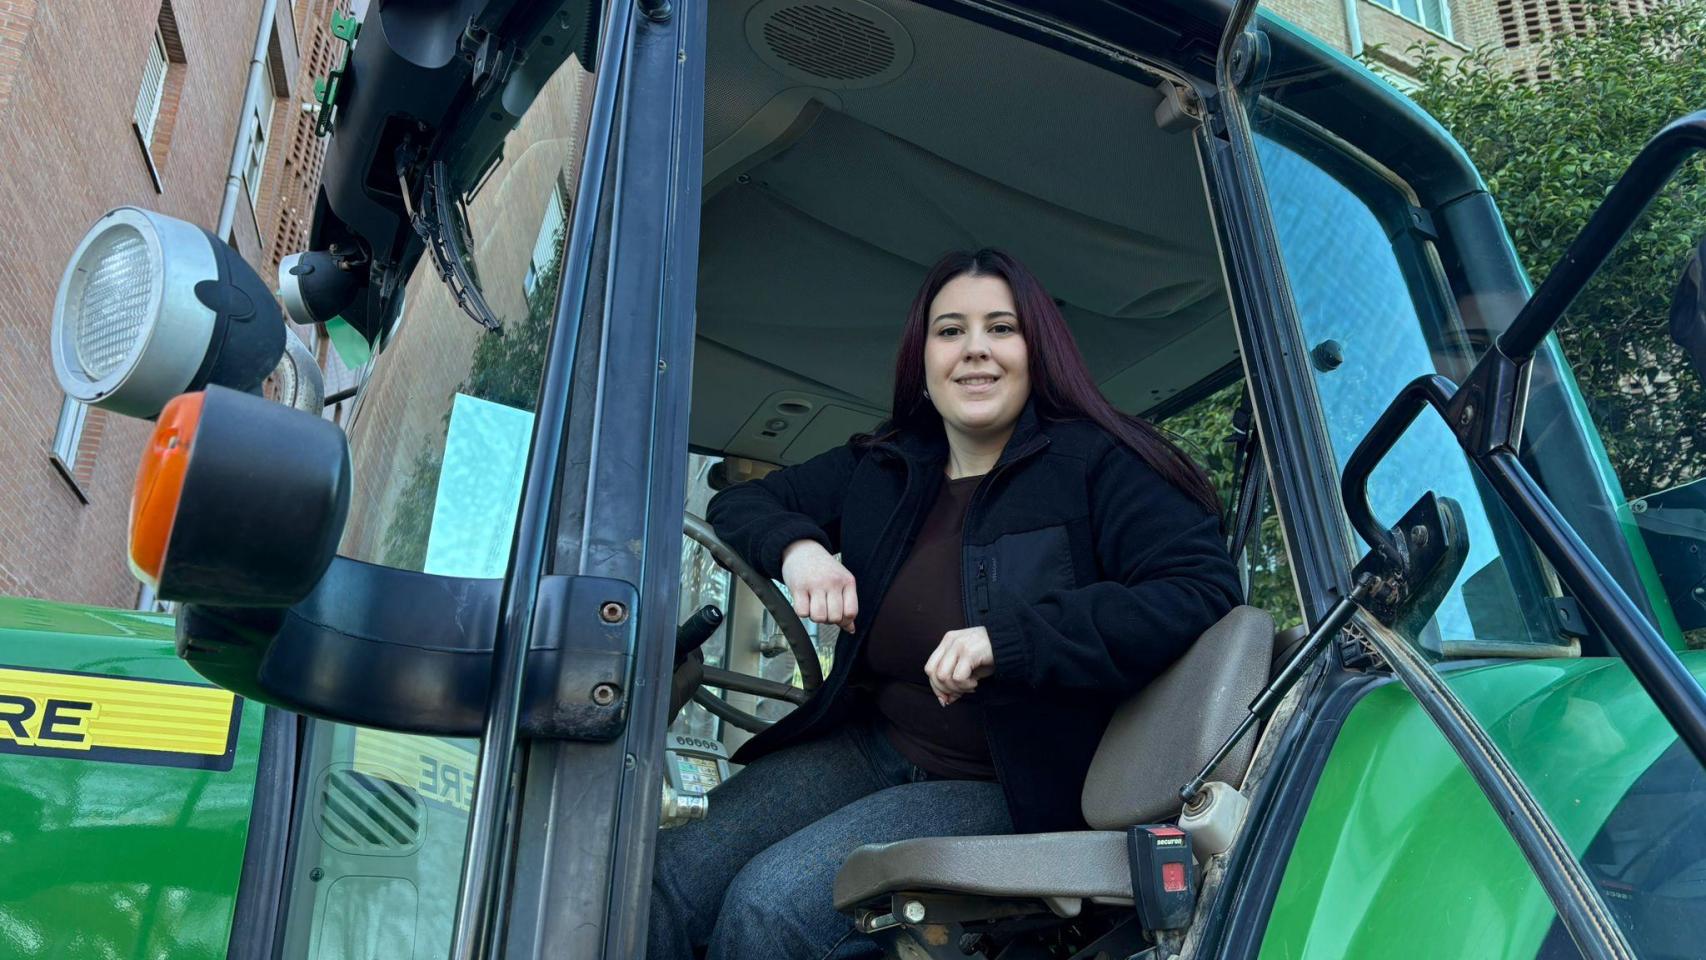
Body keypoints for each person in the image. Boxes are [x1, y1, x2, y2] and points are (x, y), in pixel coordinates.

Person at [649, 249, 1242, 959]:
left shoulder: (1098, 466)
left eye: (1001, 328)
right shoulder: (890, 465)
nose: (975, 352)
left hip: (1010, 781)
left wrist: (1011, 640)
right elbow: (746, 500)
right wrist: (799, 550)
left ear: (1038, 349)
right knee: (670, 878)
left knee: (769, 908)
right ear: (923, 357)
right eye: (950, 331)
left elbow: (1198, 592)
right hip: (874, 744)